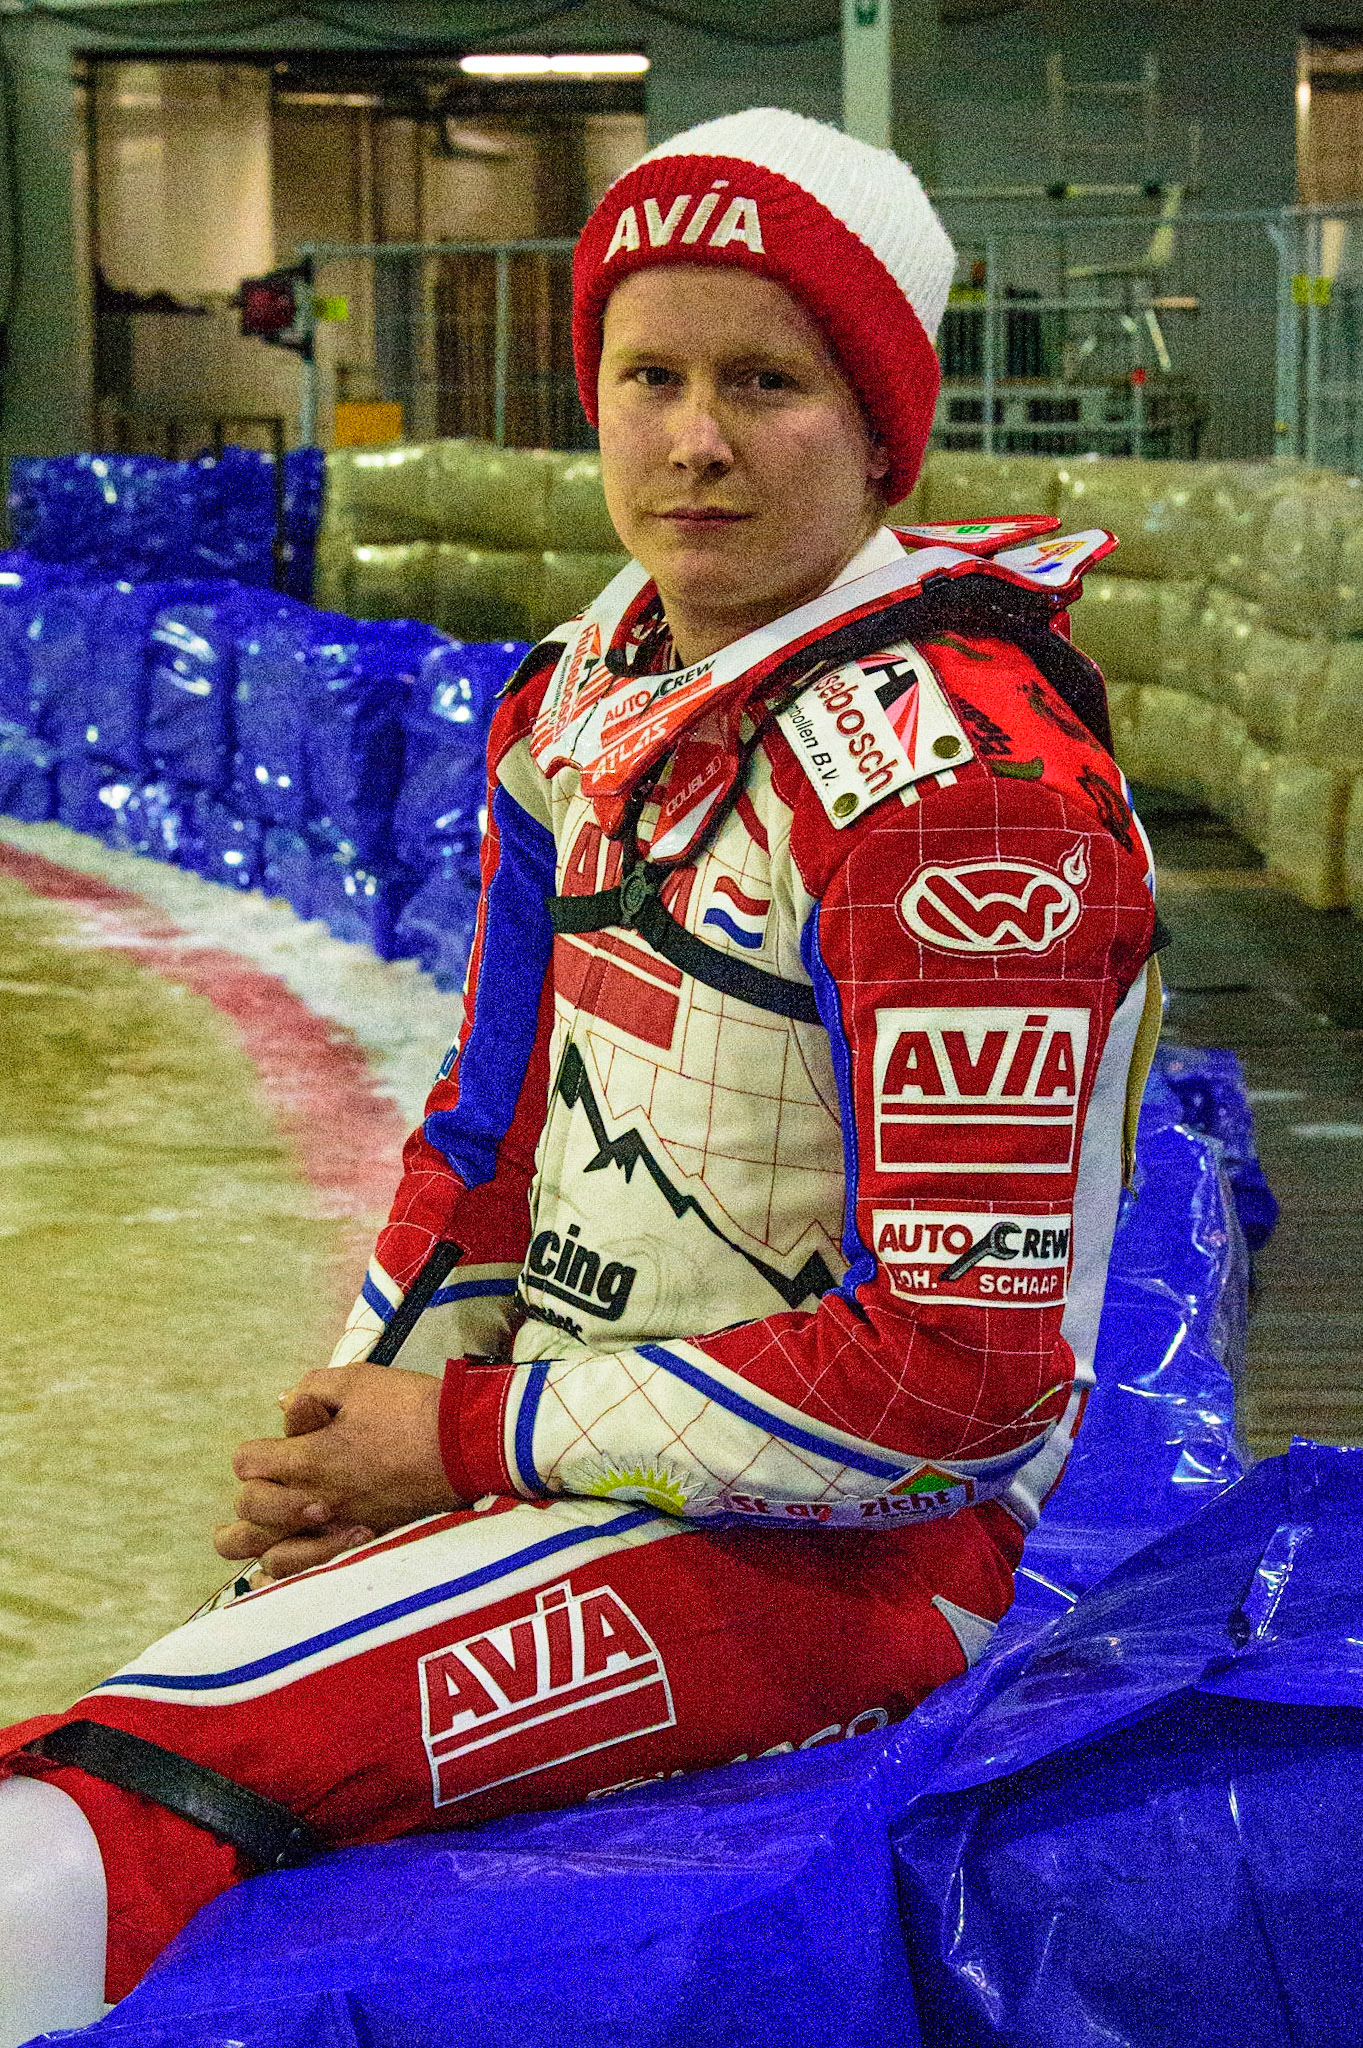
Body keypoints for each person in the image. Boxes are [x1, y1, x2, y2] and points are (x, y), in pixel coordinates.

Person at [0, 106, 1158, 2035]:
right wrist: (356, 1424)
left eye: (769, 384)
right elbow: (486, 1129)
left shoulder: (965, 792)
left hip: (875, 1549)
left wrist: (454, 1446)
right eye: (653, 377)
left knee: (138, 1796)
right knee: (156, 1713)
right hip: (592, 1460)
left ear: (883, 427)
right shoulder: (588, 691)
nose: (695, 442)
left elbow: (957, 1389)